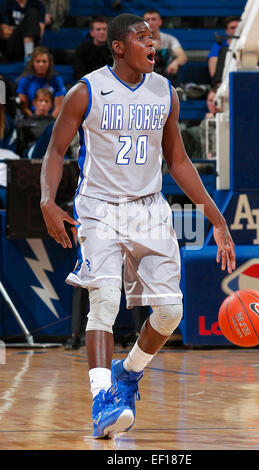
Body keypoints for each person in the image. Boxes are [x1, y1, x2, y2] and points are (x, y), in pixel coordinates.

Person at [40, 13, 236, 439]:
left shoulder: (164, 91)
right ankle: (100, 400)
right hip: (99, 208)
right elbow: (55, 152)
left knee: (170, 312)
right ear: (118, 46)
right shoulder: (86, 91)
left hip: (150, 209)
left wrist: (215, 216)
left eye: (154, 37)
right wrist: (47, 201)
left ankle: (127, 375)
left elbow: (178, 160)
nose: (153, 43)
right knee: (105, 301)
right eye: (142, 37)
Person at [16, 45, 66, 119]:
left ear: (49, 63)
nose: (41, 64)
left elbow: (59, 106)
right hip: (31, 118)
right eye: (38, 61)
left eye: (44, 61)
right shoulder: (24, 80)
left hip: (52, 119)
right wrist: (35, 120)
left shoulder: (56, 79)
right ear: (32, 63)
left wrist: (49, 122)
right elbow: (24, 107)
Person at [143, 9, 187, 86]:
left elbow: (182, 56)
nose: (150, 22)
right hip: (145, 74)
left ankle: (176, 89)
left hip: (166, 73)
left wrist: (175, 63)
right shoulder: (139, 40)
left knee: (178, 63)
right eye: (147, 20)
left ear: (160, 22)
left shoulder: (169, 39)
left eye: (154, 19)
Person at [16, 87, 54, 157]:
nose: (43, 104)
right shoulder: (25, 123)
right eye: (41, 101)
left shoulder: (54, 121)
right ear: (34, 103)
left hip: (52, 153)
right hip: (32, 153)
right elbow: (20, 147)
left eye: (46, 101)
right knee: (51, 129)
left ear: (51, 104)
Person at [72, 16, 113, 82]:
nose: (102, 32)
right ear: (92, 33)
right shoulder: (82, 49)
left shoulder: (114, 49)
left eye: (104, 29)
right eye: (98, 29)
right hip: (88, 84)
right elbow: (78, 72)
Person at [208, 16, 239, 82]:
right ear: (226, 31)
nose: (235, 30)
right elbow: (213, 73)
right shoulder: (218, 46)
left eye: (238, 27)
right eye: (232, 28)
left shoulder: (248, 46)